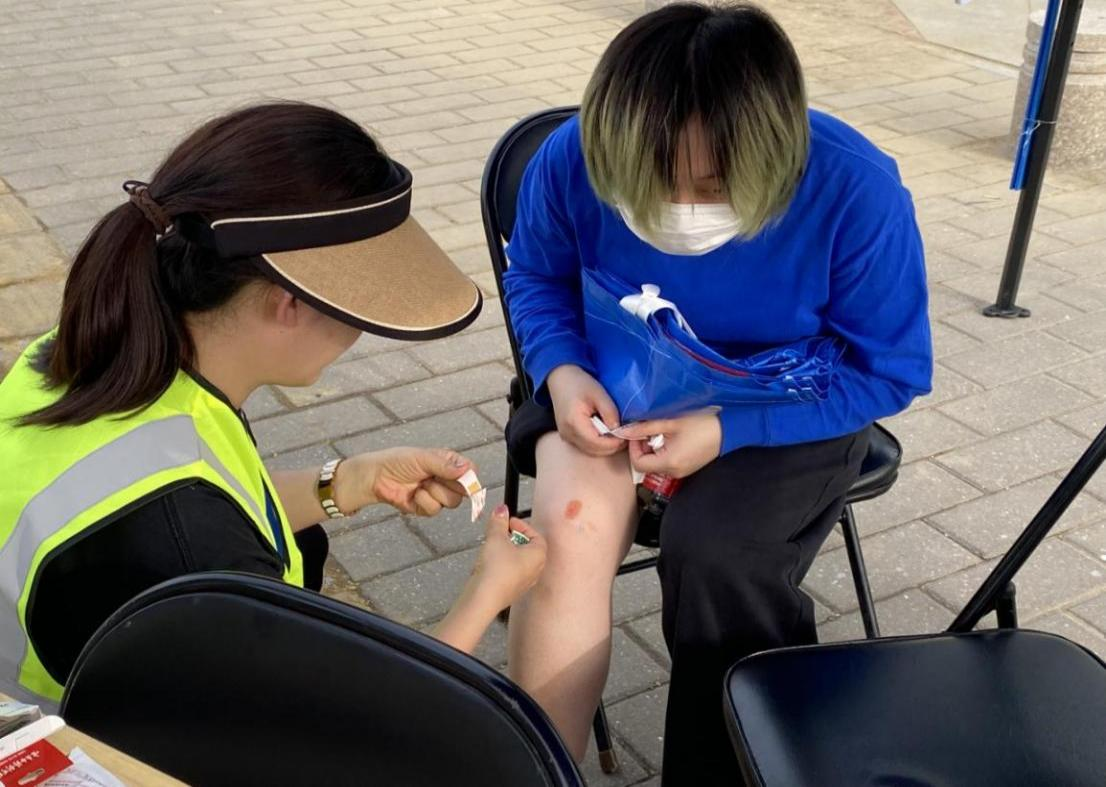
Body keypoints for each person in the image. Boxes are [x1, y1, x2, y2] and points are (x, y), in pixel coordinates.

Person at [501, 3, 932, 782]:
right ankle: (536, 771)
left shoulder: (854, 187)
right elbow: (535, 274)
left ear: (774, 157)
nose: (679, 209)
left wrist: (728, 429)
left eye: (710, 185)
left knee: (717, 557)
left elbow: (888, 369)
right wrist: (560, 369)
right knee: (566, 534)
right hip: (607, 374)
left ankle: (734, 762)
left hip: (784, 401)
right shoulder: (573, 156)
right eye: (644, 182)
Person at [0, 102, 545, 711]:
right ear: (290, 303)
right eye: (359, 309)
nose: (358, 334)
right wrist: (489, 592)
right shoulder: (192, 546)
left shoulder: (100, 352)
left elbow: (202, 502)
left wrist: (350, 481)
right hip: (85, 744)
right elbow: (353, 728)